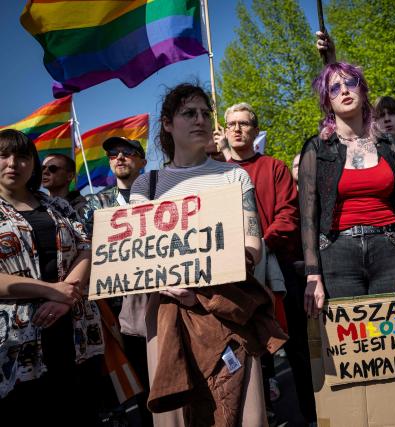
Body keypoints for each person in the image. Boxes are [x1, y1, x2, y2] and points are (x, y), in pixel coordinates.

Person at [130, 83, 286, 426]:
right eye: (189, 113)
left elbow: (251, 246)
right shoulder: (147, 186)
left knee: (236, 405)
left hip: (224, 305)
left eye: (205, 113)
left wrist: (200, 289)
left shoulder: (233, 177)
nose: (200, 119)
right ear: (168, 124)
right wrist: (175, 287)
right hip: (169, 309)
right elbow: (140, 256)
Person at [299, 61, 395, 319]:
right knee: (351, 346)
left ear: (362, 90)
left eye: (350, 83)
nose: (344, 90)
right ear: (327, 101)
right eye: (334, 88)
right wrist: (313, 275)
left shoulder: (391, 144)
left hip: (390, 250)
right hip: (337, 253)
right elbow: (308, 217)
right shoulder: (317, 149)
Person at [0, 129, 104, 426]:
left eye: (21, 157)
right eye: (3, 155)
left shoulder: (57, 206)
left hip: (75, 328)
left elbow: (86, 247)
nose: (12, 164)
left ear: (32, 164)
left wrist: (67, 295)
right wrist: (52, 290)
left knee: (80, 410)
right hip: (17, 343)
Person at [223, 102, 317, 424]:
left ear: (254, 129)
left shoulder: (274, 168)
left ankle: (312, 414)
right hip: (233, 277)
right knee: (247, 357)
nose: (237, 129)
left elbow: (288, 216)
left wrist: (257, 248)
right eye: (232, 123)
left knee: (297, 349)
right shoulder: (214, 175)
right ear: (223, 131)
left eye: (244, 123)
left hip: (278, 270)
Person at [83, 136, 151, 426]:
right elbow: (86, 247)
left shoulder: (162, 194)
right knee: (142, 378)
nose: (120, 157)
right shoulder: (95, 205)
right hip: (122, 305)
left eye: (127, 152)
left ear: (142, 161)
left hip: (166, 294)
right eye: (113, 154)